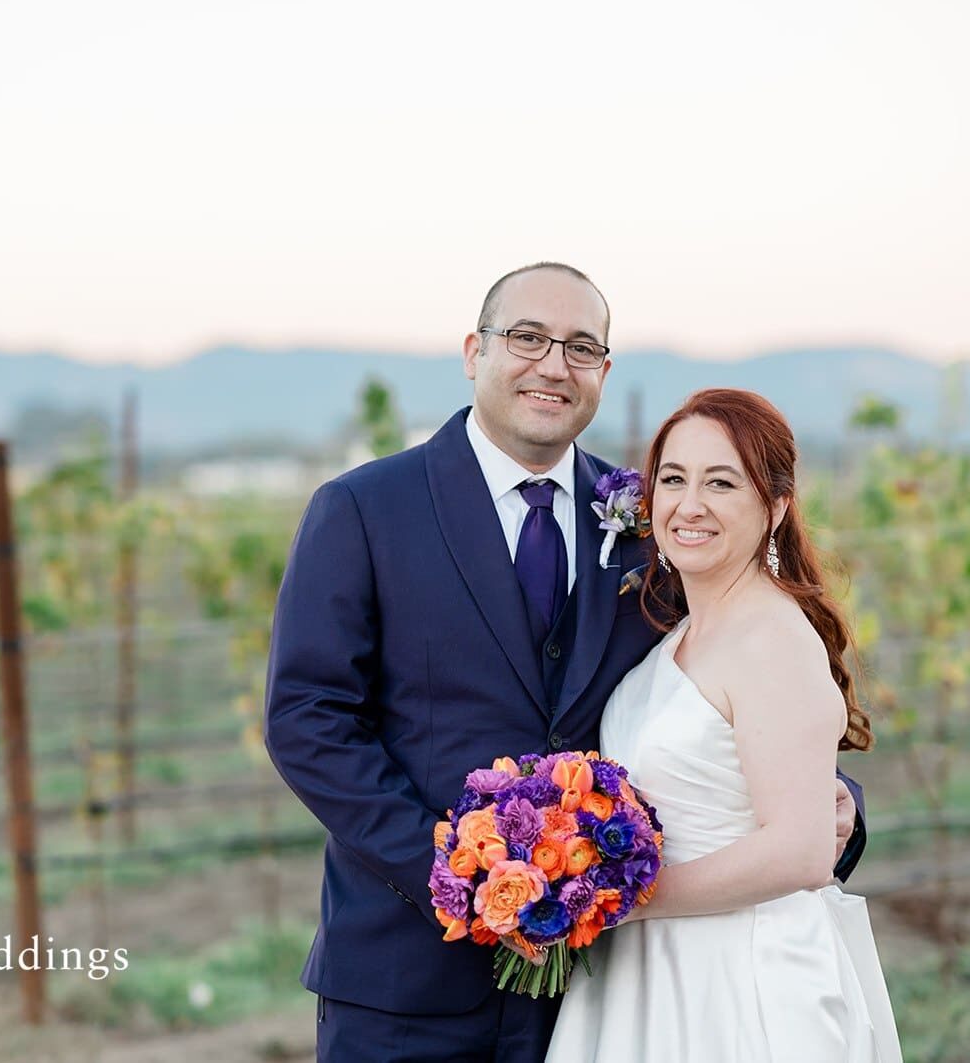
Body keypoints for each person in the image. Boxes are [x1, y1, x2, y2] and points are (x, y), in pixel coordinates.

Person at [264, 264, 866, 1062]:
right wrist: (460, 876)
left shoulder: (651, 527)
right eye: (527, 337)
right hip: (406, 975)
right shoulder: (364, 509)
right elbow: (307, 719)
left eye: (581, 346)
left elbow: (727, 687)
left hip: (596, 985)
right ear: (474, 351)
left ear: (603, 373)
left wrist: (831, 804)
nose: (553, 364)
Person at [545, 388, 901, 1062]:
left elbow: (798, 851)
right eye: (673, 479)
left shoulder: (771, 637)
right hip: (650, 971)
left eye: (721, 482)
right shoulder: (677, 631)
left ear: (774, 505)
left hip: (741, 979)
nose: (689, 504)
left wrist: (614, 903)